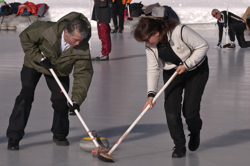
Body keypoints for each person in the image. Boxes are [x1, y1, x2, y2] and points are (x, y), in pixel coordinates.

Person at [6, 12, 93, 150]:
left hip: (59, 70)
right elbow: (25, 38)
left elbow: (83, 73)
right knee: (25, 96)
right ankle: (14, 136)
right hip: (34, 64)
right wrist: (39, 58)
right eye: (75, 40)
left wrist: (76, 100)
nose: (77, 43)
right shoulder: (45, 29)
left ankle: (60, 134)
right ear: (66, 33)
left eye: (80, 40)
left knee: (60, 101)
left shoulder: (82, 47)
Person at [133, 18, 209, 158]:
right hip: (173, 73)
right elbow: (153, 68)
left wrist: (187, 65)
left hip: (196, 71)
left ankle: (195, 130)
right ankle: (179, 144)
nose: (147, 43)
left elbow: (203, 46)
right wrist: (151, 94)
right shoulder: (151, 46)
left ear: (156, 32)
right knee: (171, 111)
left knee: (190, 111)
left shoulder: (179, 31)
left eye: (147, 39)